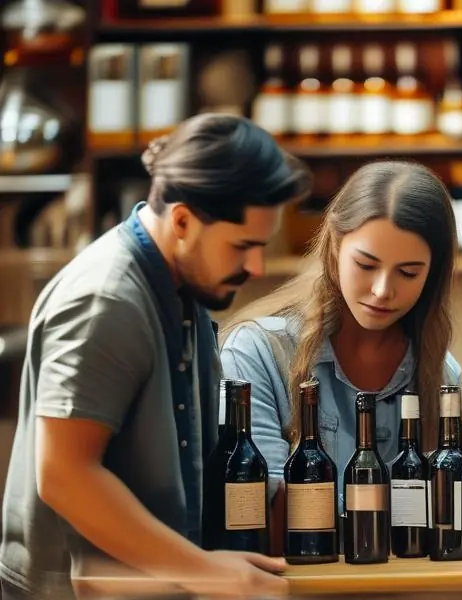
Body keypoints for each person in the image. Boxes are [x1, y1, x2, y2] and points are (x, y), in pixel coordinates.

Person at [0, 113, 312, 600]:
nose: (255, 266)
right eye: (243, 246)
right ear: (183, 221)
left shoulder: (184, 284)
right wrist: (205, 571)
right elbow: (65, 475)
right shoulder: (108, 301)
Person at [219, 160, 462, 511]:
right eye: (366, 265)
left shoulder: (442, 376)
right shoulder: (257, 353)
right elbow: (259, 509)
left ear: (432, 274)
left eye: (408, 273)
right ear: (336, 247)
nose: (382, 290)